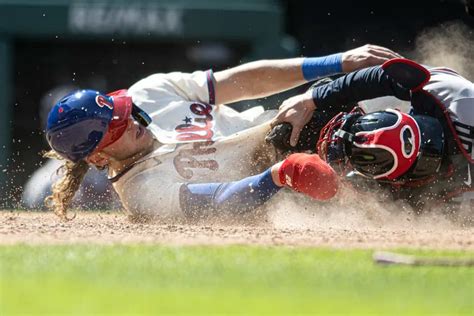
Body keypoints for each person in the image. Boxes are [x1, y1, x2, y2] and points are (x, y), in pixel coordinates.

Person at [44, 44, 401, 220]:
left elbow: (241, 82)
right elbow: (218, 199)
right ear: (97, 156)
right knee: (379, 148)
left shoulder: (147, 93)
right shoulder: (140, 192)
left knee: (385, 92)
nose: (132, 119)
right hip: (293, 194)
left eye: (123, 112)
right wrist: (278, 177)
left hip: (289, 126)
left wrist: (337, 62)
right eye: (118, 126)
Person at [269, 58, 474, 211]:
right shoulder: (452, 95)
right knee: (324, 105)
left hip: (448, 191)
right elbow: (383, 76)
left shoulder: (463, 106)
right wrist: (310, 100)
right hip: (439, 178)